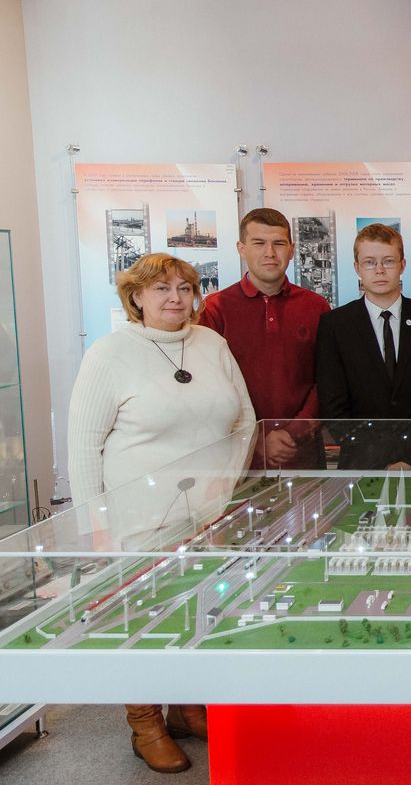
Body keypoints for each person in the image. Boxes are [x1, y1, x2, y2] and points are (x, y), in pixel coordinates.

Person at [68, 253, 254, 774]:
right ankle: (145, 722)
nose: (175, 298)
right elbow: (83, 448)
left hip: (209, 514)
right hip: (138, 517)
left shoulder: (211, 344)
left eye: (184, 288)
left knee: (200, 610)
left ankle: (187, 708)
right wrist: (94, 527)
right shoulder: (109, 354)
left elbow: (246, 420)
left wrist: (226, 485)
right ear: (136, 297)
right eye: (161, 289)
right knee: (143, 620)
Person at [316, 223, 411, 470]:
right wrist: (377, 459)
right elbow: (333, 406)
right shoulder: (335, 325)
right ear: (357, 267)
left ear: (402, 265)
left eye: (388, 261)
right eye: (370, 262)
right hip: (360, 464)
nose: (379, 270)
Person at [200, 208, 330, 470]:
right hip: (238, 459)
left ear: (292, 250)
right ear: (241, 249)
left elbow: (328, 380)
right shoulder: (215, 309)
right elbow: (208, 387)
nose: (270, 253)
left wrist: (294, 432)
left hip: (303, 453)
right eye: (259, 243)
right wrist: (256, 438)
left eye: (279, 244)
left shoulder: (316, 306)